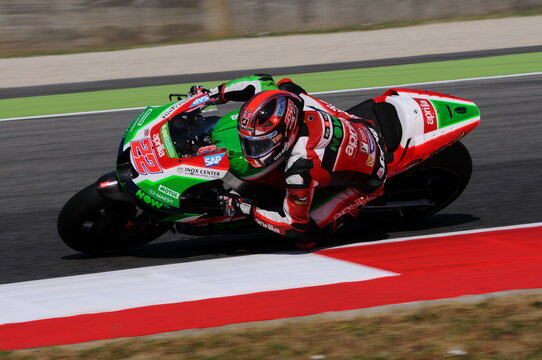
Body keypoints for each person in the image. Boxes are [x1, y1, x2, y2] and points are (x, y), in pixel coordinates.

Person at [195, 74, 387, 249]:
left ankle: (350, 209)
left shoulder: (300, 168)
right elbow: (259, 81)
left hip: (372, 172)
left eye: (259, 145)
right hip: (357, 124)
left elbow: (294, 226)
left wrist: (243, 206)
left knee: (305, 237)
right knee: (286, 85)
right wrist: (207, 96)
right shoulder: (288, 101)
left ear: (284, 134)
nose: (251, 152)